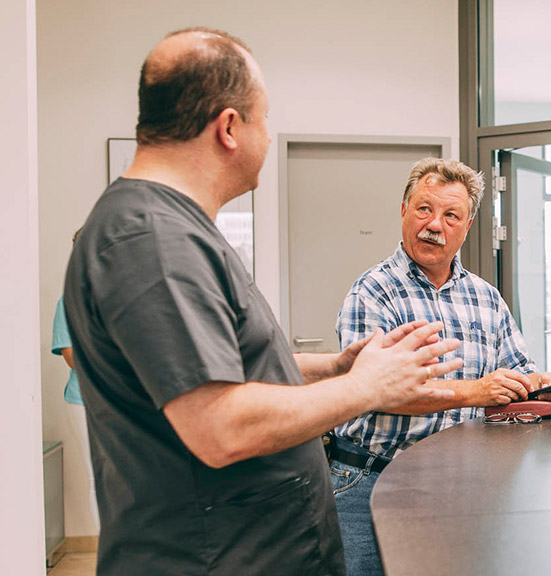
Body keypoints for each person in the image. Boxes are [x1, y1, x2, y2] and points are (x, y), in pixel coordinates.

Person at [63, 28, 462, 576]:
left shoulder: (174, 229)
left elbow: (223, 370)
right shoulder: (149, 239)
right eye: (265, 119)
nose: (269, 139)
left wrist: (335, 366)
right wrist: (366, 387)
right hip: (215, 558)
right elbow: (220, 425)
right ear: (229, 127)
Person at [329, 157, 551, 575]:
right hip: (370, 483)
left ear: (467, 226)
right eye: (424, 208)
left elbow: (515, 371)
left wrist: (539, 386)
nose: (434, 224)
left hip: (460, 490)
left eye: (450, 215)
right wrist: (477, 391)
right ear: (403, 210)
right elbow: (374, 391)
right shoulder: (372, 293)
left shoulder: (486, 297)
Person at [51, 227, 100, 531]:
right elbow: (72, 356)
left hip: (132, 403)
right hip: (85, 402)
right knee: (99, 477)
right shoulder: (69, 301)